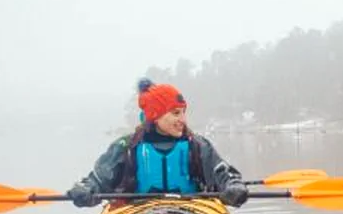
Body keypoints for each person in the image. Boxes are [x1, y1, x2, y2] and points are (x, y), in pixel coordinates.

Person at [67, 80, 249, 207]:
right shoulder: (126, 147)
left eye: (183, 112)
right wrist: (86, 189)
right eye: (176, 113)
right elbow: (99, 180)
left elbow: (223, 175)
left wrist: (233, 187)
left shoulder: (198, 146)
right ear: (156, 116)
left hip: (190, 212)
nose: (183, 120)